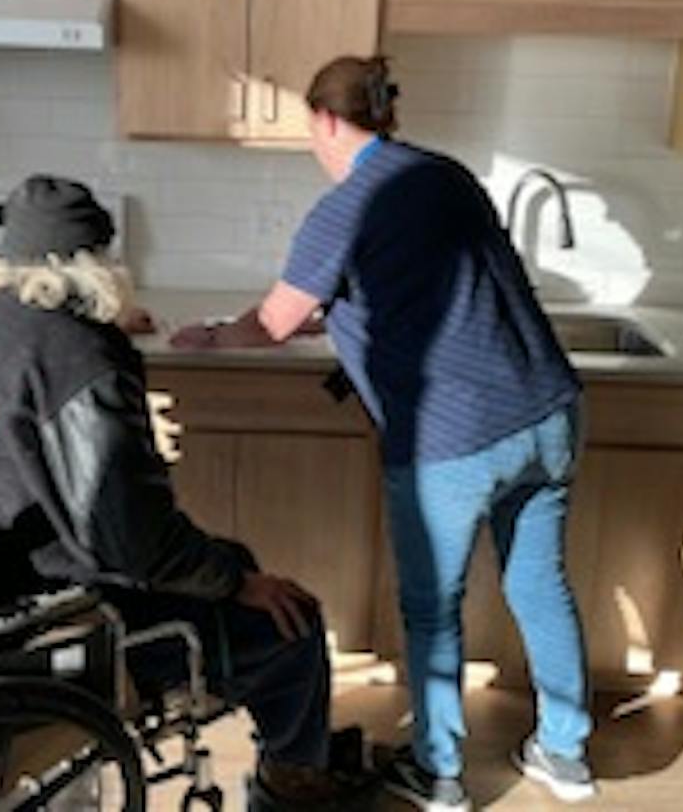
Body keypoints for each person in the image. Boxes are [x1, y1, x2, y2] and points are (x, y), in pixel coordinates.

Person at [171, 56, 597, 808]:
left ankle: (440, 775)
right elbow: (419, 282)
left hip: (456, 435)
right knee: (540, 583)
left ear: (328, 121)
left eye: (312, 129)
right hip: (547, 412)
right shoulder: (446, 174)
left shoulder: (346, 205)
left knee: (433, 607)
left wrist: (210, 338)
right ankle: (564, 754)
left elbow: (273, 322)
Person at [0, 174, 373, 810]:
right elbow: (131, 540)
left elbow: (36, 401)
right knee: (292, 623)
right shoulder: (84, 357)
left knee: (234, 560)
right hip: (69, 623)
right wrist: (234, 581)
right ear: (94, 265)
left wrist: (99, 337)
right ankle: (294, 785)